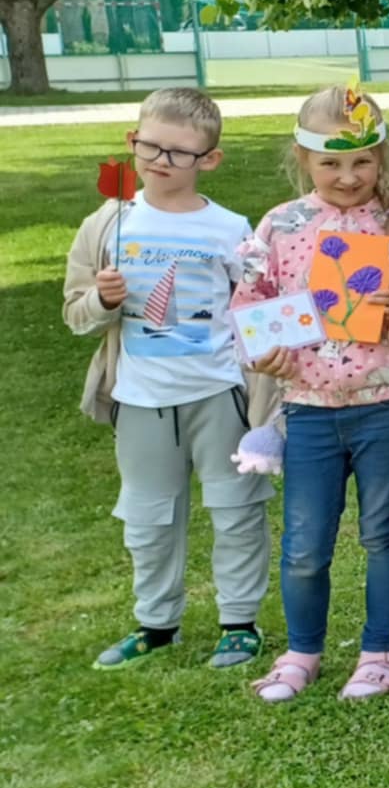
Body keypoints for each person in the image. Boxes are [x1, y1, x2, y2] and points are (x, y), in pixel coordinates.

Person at [64, 88, 269, 670]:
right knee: (148, 517)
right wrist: (103, 301)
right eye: (149, 146)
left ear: (210, 159)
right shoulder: (108, 223)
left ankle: (239, 623)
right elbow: (75, 313)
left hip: (219, 395)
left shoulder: (230, 229)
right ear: (132, 141)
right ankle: (156, 623)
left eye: (179, 152)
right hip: (140, 399)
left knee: (236, 509)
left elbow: (256, 307)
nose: (160, 161)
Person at [235, 86, 389, 701]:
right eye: (331, 163)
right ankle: (302, 652)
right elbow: (251, 302)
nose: (348, 176)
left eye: (362, 161)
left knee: (384, 533)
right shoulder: (280, 225)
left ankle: (380, 649)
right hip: (309, 410)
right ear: (303, 157)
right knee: (304, 544)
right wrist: (263, 350)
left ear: (381, 156)